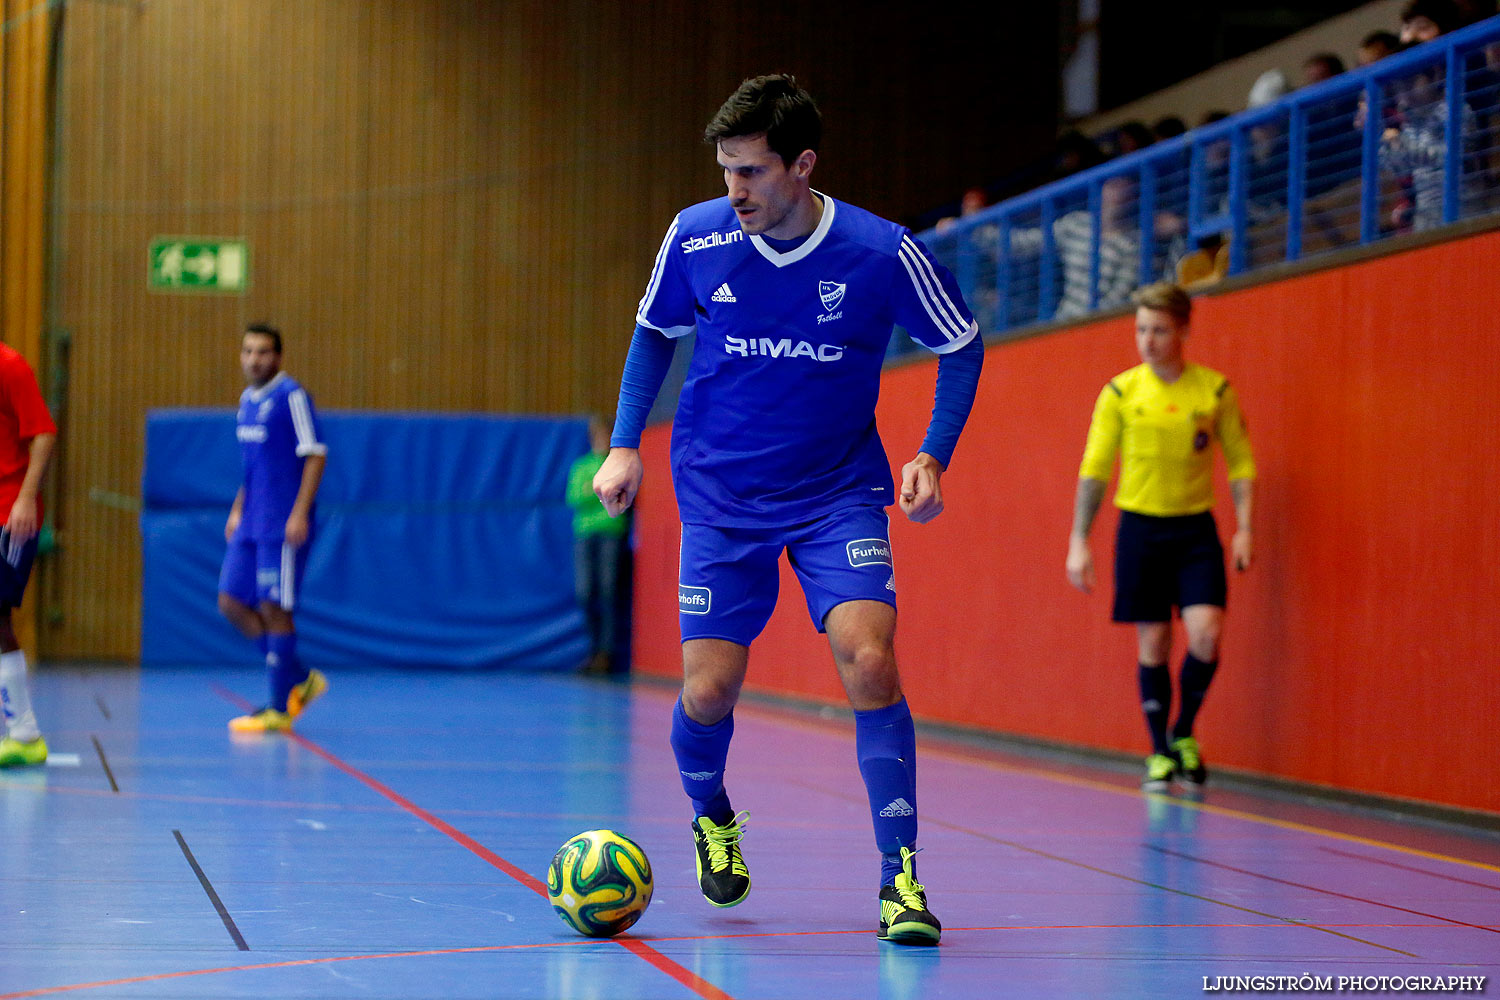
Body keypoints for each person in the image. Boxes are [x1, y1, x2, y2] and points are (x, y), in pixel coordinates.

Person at [592, 74, 983, 946]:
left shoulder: (882, 254)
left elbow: (961, 343)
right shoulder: (695, 239)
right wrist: (624, 444)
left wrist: (932, 453)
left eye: (752, 173)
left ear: (802, 166)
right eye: (726, 170)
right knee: (709, 688)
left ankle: (901, 882)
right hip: (722, 496)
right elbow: (654, 332)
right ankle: (711, 812)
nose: (734, 191)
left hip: (836, 495)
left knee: (871, 664)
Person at [1064, 283, 1254, 791]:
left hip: (1194, 528)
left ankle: (1183, 732)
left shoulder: (1213, 392)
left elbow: (1240, 462)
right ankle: (1158, 753)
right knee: (1155, 640)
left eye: (1160, 330)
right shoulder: (1121, 393)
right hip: (1141, 530)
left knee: (1207, 633)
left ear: (1184, 331)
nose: (1147, 340)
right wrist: (1079, 539)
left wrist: (1245, 527)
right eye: (1141, 329)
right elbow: (1095, 468)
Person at [218, 323, 329, 733]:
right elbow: (252, 468)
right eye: (247, 351)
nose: (254, 359)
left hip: (280, 524)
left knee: (274, 608)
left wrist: (299, 513)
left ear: (277, 357)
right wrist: (237, 509)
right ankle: (299, 676)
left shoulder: (291, 396)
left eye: (263, 352)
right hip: (250, 521)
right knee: (231, 601)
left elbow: (315, 455)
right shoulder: (247, 401)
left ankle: (279, 708)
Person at [0, 342, 56, 768]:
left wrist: (25, 498)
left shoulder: (10, 364)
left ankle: (24, 734)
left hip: (8, 511)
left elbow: (43, 432)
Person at [566, 416, 631, 674]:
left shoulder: (617, 466)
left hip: (611, 532)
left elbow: (620, 497)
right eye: (598, 435)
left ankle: (606, 654)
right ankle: (592, 651)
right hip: (585, 533)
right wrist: (601, 492)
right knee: (585, 592)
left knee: (608, 592)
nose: (602, 440)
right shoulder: (582, 466)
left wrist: (598, 492)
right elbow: (576, 497)